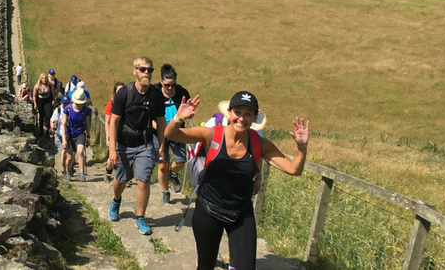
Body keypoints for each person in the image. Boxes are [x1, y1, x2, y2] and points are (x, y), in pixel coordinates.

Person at [164, 91, 309, 270]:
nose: (241, 118)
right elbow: (172, 134)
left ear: (254, 117)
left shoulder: (260, 144)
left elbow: (294, 169)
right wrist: (179, 116)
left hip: (241, 215)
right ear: (229, 113)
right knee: (205, 266)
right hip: (208, 212)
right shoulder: (212, 134)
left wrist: (301, 147)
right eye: (237, 111)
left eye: (248, 113)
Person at [107, 56, 166, 236]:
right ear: (135, 71)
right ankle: (117, 200)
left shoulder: (156, 95)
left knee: (143, 180)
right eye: (142, 69)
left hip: (146, 143)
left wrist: (161, 146)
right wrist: (112, 149)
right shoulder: (124, 93)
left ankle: (140, 217)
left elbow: (161, 121)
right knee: (121, 179)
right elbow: (114, 121)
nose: (146, 72)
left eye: (149, 69)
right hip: (124, 144)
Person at [152, 64, 191, 205]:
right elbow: (150, 116)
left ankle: (173, 175)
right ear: (161, 82)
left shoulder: (182, 93)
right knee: (163, 164)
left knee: (180, 161)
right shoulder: (154, 93)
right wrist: (159, 129)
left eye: (173, 85)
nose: (170, 88)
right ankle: (165, 191)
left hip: (177, 131)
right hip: (160, 133)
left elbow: (187, 110)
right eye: (167, 85)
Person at [61, 88, 91, 181]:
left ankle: (82, 173)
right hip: (70, 133)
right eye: (77, 103)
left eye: (80, 103)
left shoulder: (86, 110)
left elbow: (87, 123)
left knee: (80, 151)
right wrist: (64, 139)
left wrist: (88, 136)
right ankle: (68, 171)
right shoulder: (68, 109)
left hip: (80, 133)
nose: (78, 105)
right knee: (70, 157)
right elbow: (63, 124)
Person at [104, 82, 125, 183]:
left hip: (124, 133)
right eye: (118, 90)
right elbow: (107, 122)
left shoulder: (127, 103)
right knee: (111, 157)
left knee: (124, 155)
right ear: (115, 92)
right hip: (113, 133)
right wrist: (108, 137)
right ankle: (108, 173)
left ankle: (123, 176)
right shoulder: (111, 103)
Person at [51, 94, 71, 175]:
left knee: (69, 155)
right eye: (64, 103)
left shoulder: (72, 110)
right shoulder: (58, 110)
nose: (65, 105)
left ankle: (69, 167)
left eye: (67, 103)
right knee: (63, 153)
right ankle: (63, 170)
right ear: (61, 103)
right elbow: (52, 120)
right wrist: (52, 128)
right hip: (60, 135)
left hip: (70, 134)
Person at [33, 73, 55, 137]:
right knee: (41, 116)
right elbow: (34, 96)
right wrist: (35, 104)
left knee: (48, 116)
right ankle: (41, 130)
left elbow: (53, 93)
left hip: (47, 101)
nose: (44, 79)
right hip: (40, 101)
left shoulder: (49, 85)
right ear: (40, 79)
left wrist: (54, 101)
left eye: (45, 78)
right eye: (43, 78)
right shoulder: (37, 86)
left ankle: (47, 130)